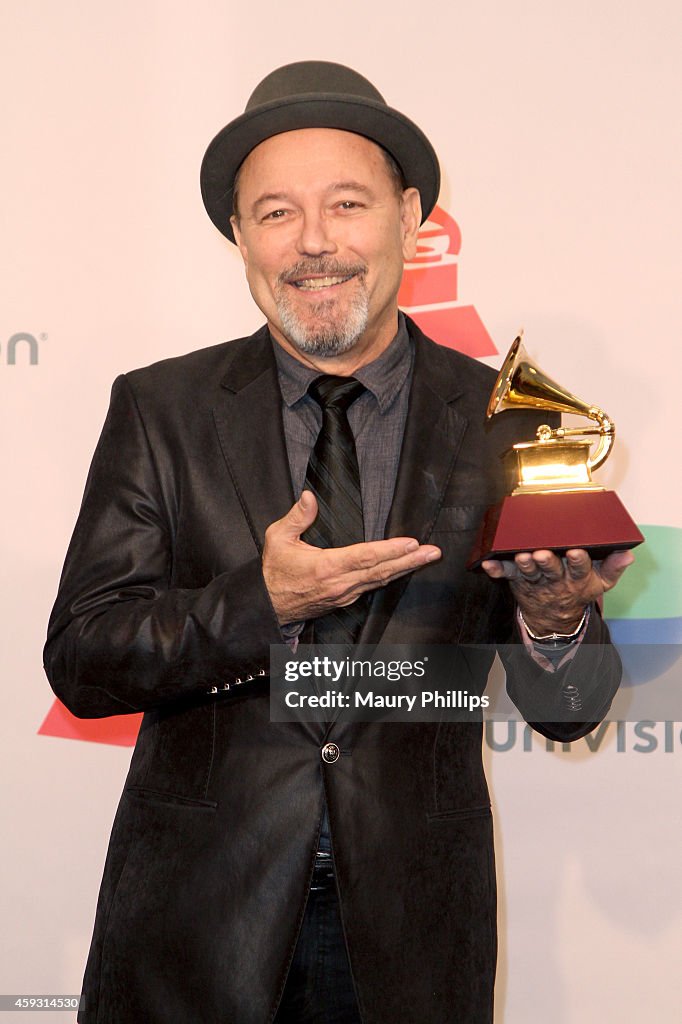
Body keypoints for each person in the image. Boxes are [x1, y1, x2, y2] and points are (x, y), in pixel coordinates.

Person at [44, 61, 633, 1024]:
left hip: (411, 925)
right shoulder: (163, 410)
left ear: (411, 220)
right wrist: (260, 601)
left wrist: (555, 617)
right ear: (239, 237)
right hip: (198, 918)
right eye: (275, 214)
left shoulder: (504, 420)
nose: (314, 245)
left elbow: (572, 713)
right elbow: (82, 658)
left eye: (346, 205)